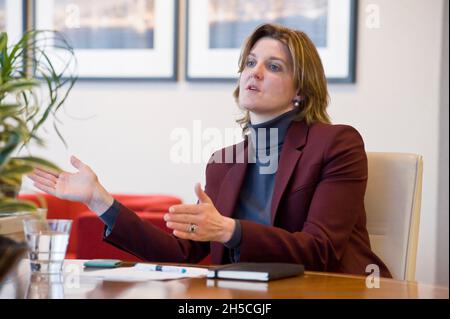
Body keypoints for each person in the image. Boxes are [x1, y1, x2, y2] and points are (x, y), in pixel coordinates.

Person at [28, 23, 392, 278]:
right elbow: (180, 253)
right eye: (250, 63)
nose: (255, 72)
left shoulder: (337, 143)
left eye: (273, 66)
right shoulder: (223, 162)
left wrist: (231, 231)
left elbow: (320, 250)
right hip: (243, 299)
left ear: (300, 90)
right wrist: (99, 201)